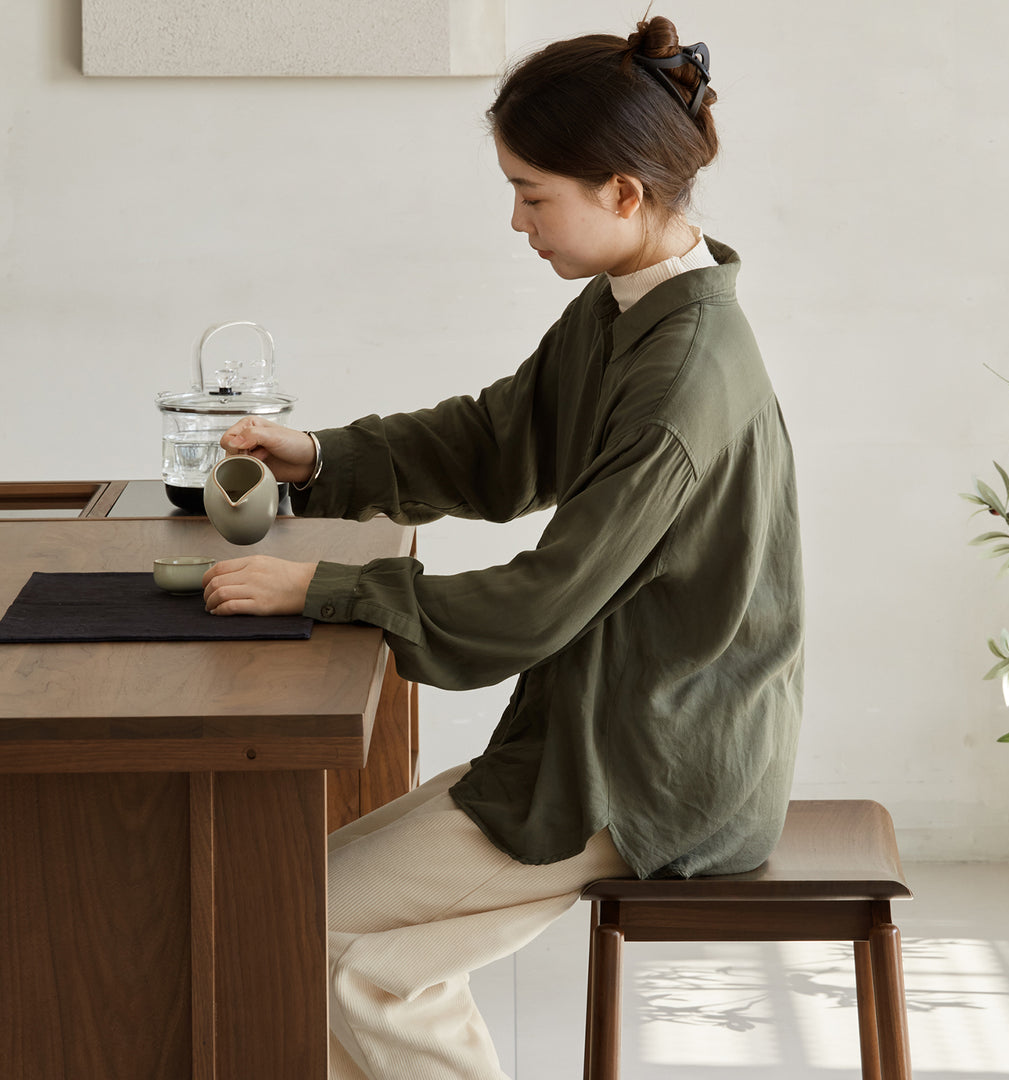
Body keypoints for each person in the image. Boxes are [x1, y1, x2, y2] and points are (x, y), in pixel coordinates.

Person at [203, 14, 804, 1080]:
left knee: (303, 921)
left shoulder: (680, 375)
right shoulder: (631, 307)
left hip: (647, 770)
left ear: (622, 192)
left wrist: (327, 587)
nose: (517, 222)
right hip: (609, 733)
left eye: (533, 195)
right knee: (316, 923)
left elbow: (540, 603)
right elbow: (498, 441)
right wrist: (322, 456)